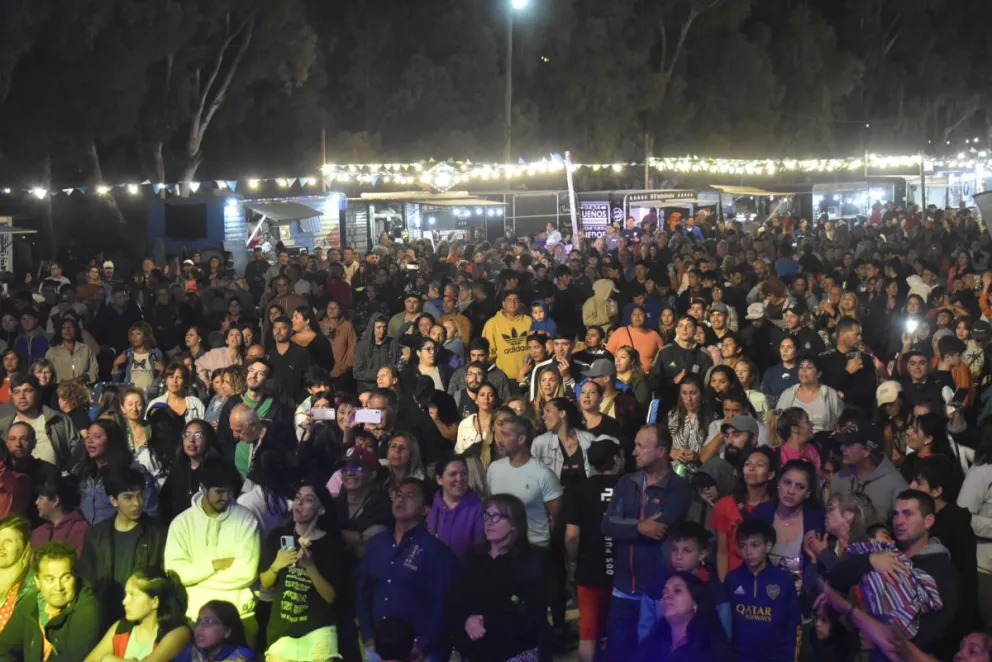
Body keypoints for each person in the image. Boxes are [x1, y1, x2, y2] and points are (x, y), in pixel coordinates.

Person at [827, 489, 961, 659]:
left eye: (907, 514)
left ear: (928, 521)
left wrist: (879, 637)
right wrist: (870, 559)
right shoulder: (884, 551)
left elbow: (936, 628)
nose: (899, 521)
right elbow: (836, 578)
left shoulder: (941, 569)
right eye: (896, 514)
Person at [602, 424, 691, 661]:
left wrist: (627, 526)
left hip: (657, 592)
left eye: (641, 446)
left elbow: (660, 529)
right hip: (623, 589)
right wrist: (640, 526)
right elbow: (607, 525)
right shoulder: (626, 482)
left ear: (661, 451)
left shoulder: (678, 488)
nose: (634, 452)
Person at [358, 478, 455, 662]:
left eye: (410, 496)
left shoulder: (435, 551)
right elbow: (363, 591)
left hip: (418, 652)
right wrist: (368, 636)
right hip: (378, 649)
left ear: (425, 509)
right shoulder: (377, 544)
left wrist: (423, 644)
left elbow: (442, 604)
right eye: (398, 494)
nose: (400, 499)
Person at [164, 457, 260, 639]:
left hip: (239, 616)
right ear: (203, 487)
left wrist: (196, 580)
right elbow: (175, 574)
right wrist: (213, 566)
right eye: (220, 491)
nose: (226, 497)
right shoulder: (182, 523)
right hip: (194, 616)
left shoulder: (246, 520)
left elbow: (247, 573)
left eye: (230, 491)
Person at [447, 493, 548, 662]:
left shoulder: (532, 561)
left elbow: (532, 613)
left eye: (497, 517)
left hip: (514, 650)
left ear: (515, 524)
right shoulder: (472, 556)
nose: (489, 522)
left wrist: (487, 623)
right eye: (486, 515)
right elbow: (454, 598)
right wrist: (466, 620)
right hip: (470, 650)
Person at [260, 479, 346, 662]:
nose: (299, 503)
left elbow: (331, 596)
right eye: (298, 497)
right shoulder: (277, 536)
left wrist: (310, 566)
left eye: (308, 500)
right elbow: (265, 582)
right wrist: (276, 565)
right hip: (282, 632)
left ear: (321, 509)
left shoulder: (331, 544)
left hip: (318, 632)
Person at [78, 467, 166, 623]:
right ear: (113, 500)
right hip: (104, 617)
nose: (137, 503)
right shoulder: (96, 536)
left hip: (143, 617)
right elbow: (87, 581)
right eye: (128, 497)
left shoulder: (157, 534)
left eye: (140, 496)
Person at [565, 439, 623, 662]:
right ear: (616, 459)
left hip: (589, 570)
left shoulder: (580, 489)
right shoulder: (629, 485)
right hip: (622, 573)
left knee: (588, 632)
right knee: (618, 631)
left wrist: (572, 560)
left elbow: (571, 535)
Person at [910, 454, 981, 639]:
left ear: (937, 491)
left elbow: (963, 585)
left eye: (918, 483)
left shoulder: (954, 528)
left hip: (949, 627)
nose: (911, 487)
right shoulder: (930, 521)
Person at [0, 541, 102, 662]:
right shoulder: (31, 604)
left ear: (75, 577)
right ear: (37, 582)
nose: (58, 587)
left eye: (66, 577)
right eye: (50, 579)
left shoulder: (87, 609)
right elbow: (4, 649)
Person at [725, 519, 801, 662]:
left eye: (755, 545)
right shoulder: (732, 579)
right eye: (743, 546)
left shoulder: (783, 581)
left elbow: (791, 625)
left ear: (768, 546)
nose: (748, 552)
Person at [83, 567, 191, 662]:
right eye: (126, 594)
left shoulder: (177, 633)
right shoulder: (121, 628)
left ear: (154, 601)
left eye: (132, 595)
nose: (124, 601)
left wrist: (108, 659)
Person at [628, 572, 734, 662]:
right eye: (664, 592)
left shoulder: (710, 649)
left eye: (677, 591)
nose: (666, 596)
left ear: (695, 602)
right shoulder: (654, 640)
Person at [710, 446, 777, 581]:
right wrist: (725, 586)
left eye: (759, 465)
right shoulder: (725, 505)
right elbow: (722, 552)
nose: (752, 468)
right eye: (747, 464)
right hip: (736, 580)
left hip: (768, 581)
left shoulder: (778, 508)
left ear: (771, 474)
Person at [75, 420, 159, 525]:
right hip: (93, 538)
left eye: (97, 436)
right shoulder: (85, 473)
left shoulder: (133, 472)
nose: (89, 441)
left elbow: (149, 511)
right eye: (88, 436)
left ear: (111, 440)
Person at [0, 374, 80, 473]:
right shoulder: (4, 425)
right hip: (16, 485)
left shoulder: (59, 420)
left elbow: (78, 450)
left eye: (28, 391)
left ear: (38, 392)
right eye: (17, 392)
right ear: (11, 395)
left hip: (53, 483)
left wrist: (68, 475)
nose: (22, 396)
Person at [830, 423, 908, 524]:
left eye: (849, 445)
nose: (842, 448)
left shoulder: (896, 485)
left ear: (866, 451)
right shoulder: (838, 479)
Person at [426, 455, 484, 557]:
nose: (460, 479)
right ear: (439, 479)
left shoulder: (479, 508)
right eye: (453, 474)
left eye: (464, 473)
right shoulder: (430, 504)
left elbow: (480, 550)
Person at [774, 355, 844, 434]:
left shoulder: (831, 394)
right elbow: (778, 422)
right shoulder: (787, 394)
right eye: (801, 367)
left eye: (809, 367)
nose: (803, 370)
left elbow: (841, 421)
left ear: (819, 374)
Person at [173, 600, 256, 662]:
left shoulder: (242, 656)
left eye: (207, 622)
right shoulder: (188, 651)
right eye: (198, 622)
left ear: (227, 631)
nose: (198, 628)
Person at [481, 291, 533, 382]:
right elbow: (488, 353)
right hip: (502, 379)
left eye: (515, 300)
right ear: (503, 304)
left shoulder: (529, 321)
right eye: (509, 300)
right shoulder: (492, 324)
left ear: (520, 303)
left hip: (527, 376)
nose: (513, 303)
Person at [32, 476, 89, 555]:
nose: (36, 502)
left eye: (41, 498)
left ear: (55, 500)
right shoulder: (39, 532)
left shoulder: (80, 530)